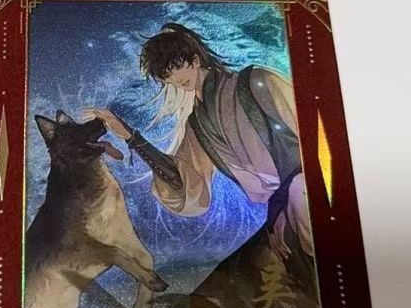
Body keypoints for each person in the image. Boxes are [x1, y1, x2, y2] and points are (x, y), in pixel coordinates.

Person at [86, 22, 312, 259]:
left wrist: (294, 193)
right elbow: (183, 179)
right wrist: (130, 136)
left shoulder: (257, 80)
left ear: (195, 59)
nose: (175, 78)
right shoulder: (197, 125)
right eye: (167, 75)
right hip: (277, 209)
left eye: (177, 65)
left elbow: (311, 137)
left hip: (305, 188)